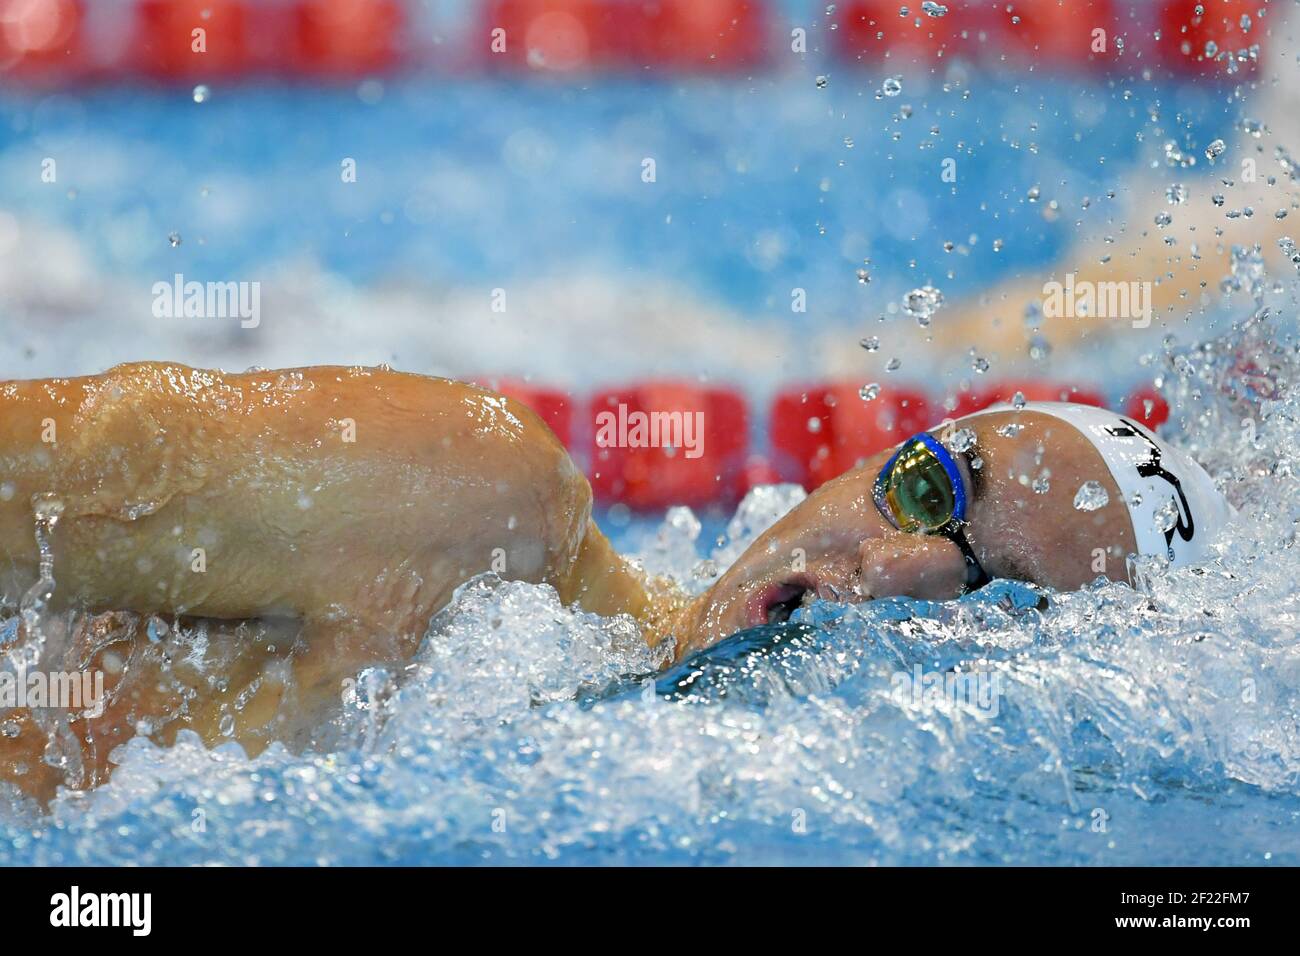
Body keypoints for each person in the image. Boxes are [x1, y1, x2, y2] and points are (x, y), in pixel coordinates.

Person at [0, 363, 1231, 803]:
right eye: (928, 492)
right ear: (864, 463)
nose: (896, 570)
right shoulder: (463, 497)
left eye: (998, 603)